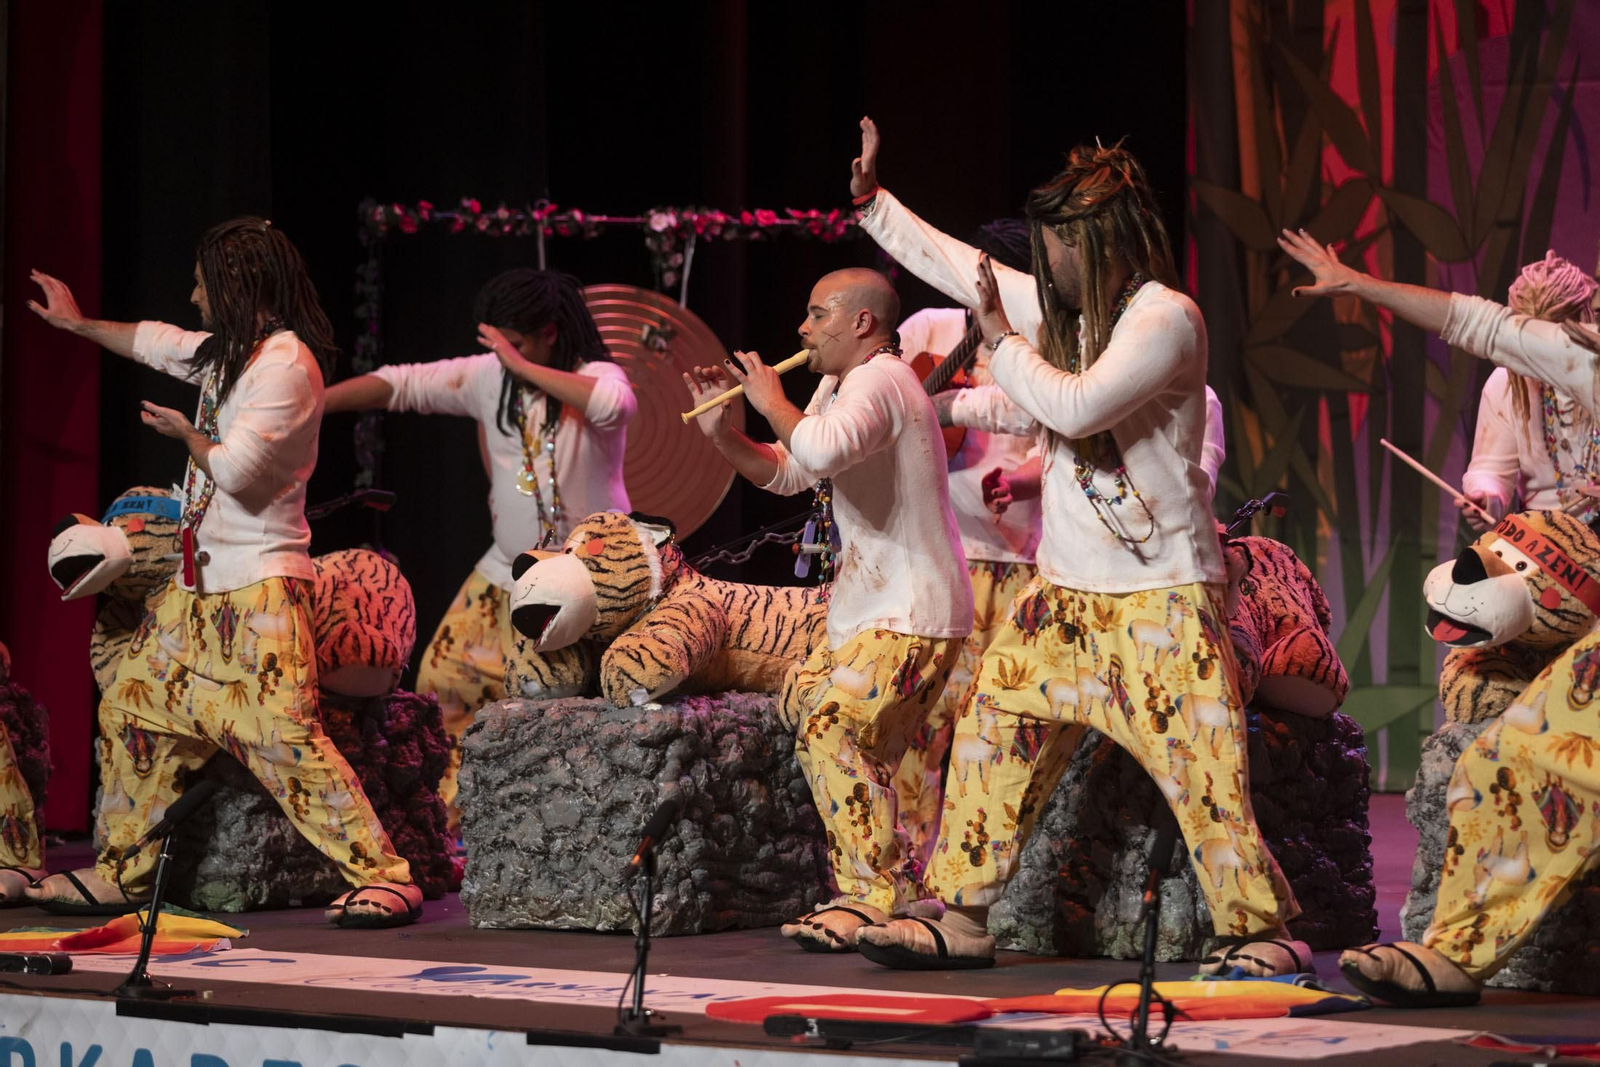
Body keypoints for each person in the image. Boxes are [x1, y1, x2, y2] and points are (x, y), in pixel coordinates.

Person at [848, 117, 1303, 971]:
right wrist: (876, 205)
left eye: (1057, 245)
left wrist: (999, 338)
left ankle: (1260, 933)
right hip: (1064, 594)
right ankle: (964, 914)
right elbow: (959, 265)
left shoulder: (1166, 317)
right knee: (994, 734)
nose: (1044, 262)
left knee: (1203, 771)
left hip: (1161, 595)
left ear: (1101, 243)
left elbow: (1076, 406)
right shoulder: (1074, 316)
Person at [25, 219, 421, 926]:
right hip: (194, 595)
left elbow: (236, 472)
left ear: (237, 285)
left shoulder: (286, 366)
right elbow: (154, 339)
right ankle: (123, 871)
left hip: (259, 594)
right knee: (132, 706)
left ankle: (385, 875)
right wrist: (78, 324)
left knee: (286, 740)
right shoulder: (227, 354)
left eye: (203, 279)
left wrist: (187, 436)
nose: (193, 292)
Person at [1280, 225, 1600, 1006]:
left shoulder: (1587, 357)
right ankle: (1456, 950)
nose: (1531, 345)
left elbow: (1477, 320)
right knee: (1495, 747)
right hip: (1550, 563)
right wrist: (1357, 283)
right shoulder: (1520, 379)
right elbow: (1473, 323)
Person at [682, 267, 972, 952]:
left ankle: (872, 894)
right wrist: (727, 434)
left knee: (829, 722)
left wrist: (772, 399)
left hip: (911, 611)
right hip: (873, 612)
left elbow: (819, 445)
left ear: (862, 323)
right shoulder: (842, 385)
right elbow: (793, 469)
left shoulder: (883, 380)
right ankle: (891, 889)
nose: (802, 329)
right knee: (814, 710)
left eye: (817, 315)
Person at [324, 269, 636, 817]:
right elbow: (399, 384)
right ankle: (457, 818)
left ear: (550, 333)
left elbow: (615, 406)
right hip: (505, 573)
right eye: (497, 346)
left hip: (591, 583)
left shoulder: (596, 376)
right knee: (444, 681)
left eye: (514, 344)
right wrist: (312, 405)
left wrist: (522, 367)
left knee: (574, 708)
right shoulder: (491, 379)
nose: (502, 357)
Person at [1459, 252, 1600, 530]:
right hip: (1542, 536)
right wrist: (1487, 498)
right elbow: (1491, 470)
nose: (1539, 354)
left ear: (1583, 322)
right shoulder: (1507, 383)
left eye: (1549, 340)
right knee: (1458, 573)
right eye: (1528, 342)